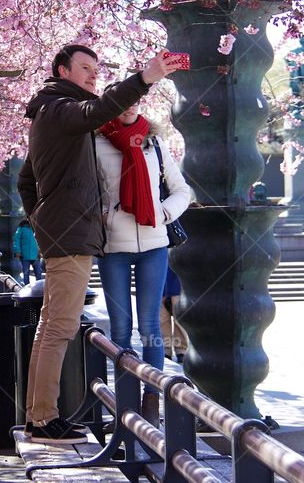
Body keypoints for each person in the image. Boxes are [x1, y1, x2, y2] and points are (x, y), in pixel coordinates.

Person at [16, 44, 180, 445]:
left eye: (96, 69)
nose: (93, 75)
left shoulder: (53, 112)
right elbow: (96, 111)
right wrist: (144, 78)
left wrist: (41, 219)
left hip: (65, 232)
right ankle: (43, 421)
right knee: (60, 328)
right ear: (62, 71)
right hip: (70, 236)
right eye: (85, 68)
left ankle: (39, 416)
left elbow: (25, 179)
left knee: (51, 327)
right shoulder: (59, 108)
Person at [95, 92, 191, 427]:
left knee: (150, 326)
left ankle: (152, 403)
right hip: (113, 247)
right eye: (124, 99)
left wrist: (164, 212)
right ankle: (125, 406)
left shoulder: (155, 143)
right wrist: (104, 216)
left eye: (136, 99)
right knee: (120, 329)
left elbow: (182, 191)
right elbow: (86, 193)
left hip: (153, 241)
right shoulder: (95, 143)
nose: (130, 105)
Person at [160, 268, 188, 364]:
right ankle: (166, 349)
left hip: (177, 271)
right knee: (162, 316)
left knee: (179, 314)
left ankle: (181, 349)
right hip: (160, 266)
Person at [13, 219, 41, 284]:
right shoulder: (22, 228)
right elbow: (16, 240)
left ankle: (39, 288)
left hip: (33, 254)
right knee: (27, 273)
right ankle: (28, 288)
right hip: (27, 254)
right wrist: (17, 251)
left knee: (37, 272)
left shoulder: (35, 228)